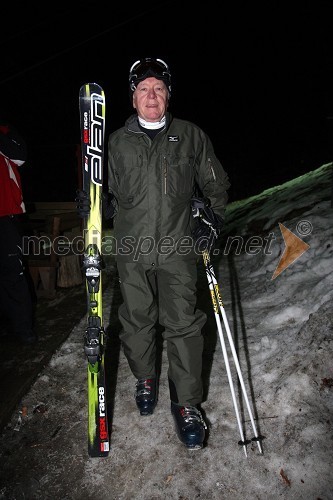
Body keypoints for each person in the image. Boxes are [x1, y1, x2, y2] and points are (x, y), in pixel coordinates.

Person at [77, 57, 230, 449]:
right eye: (144, 89)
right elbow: (102, 192)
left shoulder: (190, 136)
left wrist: (212, 217)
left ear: (168, 97)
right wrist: (96, 206)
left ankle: (186, 404)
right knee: (136, 320)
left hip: (178, 247)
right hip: (132, 249)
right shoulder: (115, 142)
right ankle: (145, 379)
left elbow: (217, 184)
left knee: (184, 325)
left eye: (158, 89)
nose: (151, 95)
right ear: (132, 98)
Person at [0, 119, 36, 345]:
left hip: (5, 214)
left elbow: (19, 156)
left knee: (13, 274)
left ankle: (24, 331)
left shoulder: (6, 130)